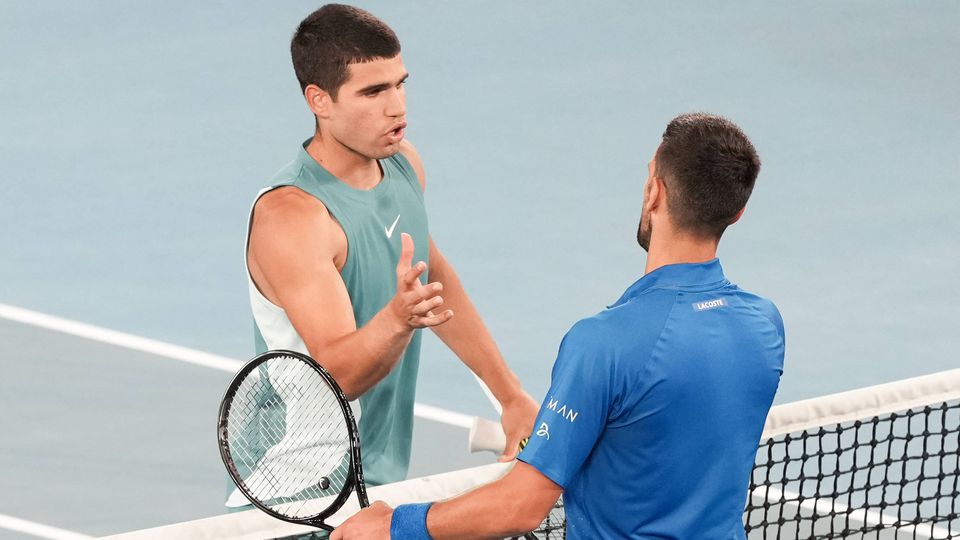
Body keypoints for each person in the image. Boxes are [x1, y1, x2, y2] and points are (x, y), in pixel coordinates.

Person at [332, 113, 786, 539]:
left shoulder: (604, 343)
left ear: (655, 193)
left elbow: (521, 506)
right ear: (736, 212)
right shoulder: (764, 325)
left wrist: (394, 525)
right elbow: (667, 432)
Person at [243, 3, 538, 492]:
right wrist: (397, 320)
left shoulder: (403, 165)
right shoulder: (292, 217)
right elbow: (340, 376)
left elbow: (432, 277)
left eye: (400, 84)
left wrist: (509, 396)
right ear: (320, 100)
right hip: (298, 491)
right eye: (374, 91)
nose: (397, 106)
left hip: (374, 482)